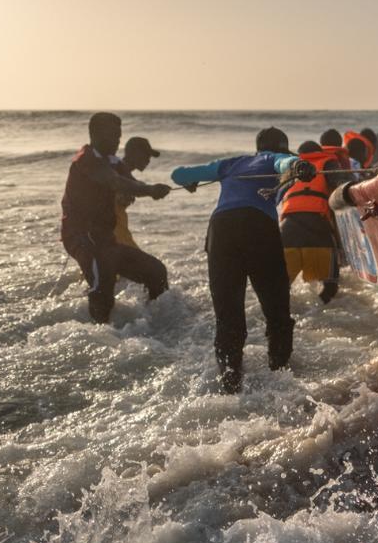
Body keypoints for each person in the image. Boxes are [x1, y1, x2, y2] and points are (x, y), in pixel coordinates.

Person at [171, 127, 311, 394]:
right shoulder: (273, 159)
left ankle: (230, 385)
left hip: (220, 232)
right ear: (280, 148)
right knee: (277, 312)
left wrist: (188, 182)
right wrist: (299, 165)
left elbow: (179, 174)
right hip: (258, 228)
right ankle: (280, 380)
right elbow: (285, 163)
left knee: (228, 317)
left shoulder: (231, 164)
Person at [60, 113, 171, 324]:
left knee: (156, 272)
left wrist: (152, 190)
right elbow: (114, 181)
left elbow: (129, 183)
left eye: (119, 136)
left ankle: (153, 324)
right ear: (95, 134)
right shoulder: (86, 159)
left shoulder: (114, 162)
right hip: (81, 236)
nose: (118, 141)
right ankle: (99, 338)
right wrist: (149, 190)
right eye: (113, 135)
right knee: (103, 287)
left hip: (105, 238)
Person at [279, 141, 351, 304]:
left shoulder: (292, 169)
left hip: (286, 234)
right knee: (330, 289)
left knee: (281, 288)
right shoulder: (328, 163)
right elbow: (341, 185)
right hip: (318, 232)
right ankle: (319, 312)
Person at [110, 136, 162, 249]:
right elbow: (129, 185)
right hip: (113, 233)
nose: (148, 160)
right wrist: (151, 190)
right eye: (146, 155)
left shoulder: (124, 174)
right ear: (134, 153)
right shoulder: (117, 171)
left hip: (120, 230)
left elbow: (135, 185)